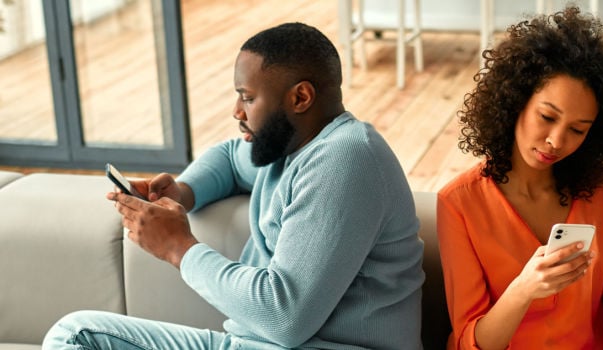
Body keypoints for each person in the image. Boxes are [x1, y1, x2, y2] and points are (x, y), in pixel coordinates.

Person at [43, 22, 424, 350]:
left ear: (301, 97)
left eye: (249, 97)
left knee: (77, 335)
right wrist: (181, 192)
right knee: (77, 333)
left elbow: (284, 317)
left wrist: (179, 248)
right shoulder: (292, 146)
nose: (236, 112)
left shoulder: (345, 160)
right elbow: (228, 158)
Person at [436, 6, 603, 350]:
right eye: (547, 116)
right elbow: (470, 342)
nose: (557, 141)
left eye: (578, 130)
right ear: (515, 100)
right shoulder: (460, 204)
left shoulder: (600, 192)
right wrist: (525, 288)